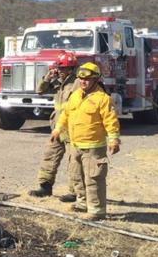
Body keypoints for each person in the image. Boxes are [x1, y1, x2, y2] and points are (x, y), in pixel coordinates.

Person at [51, 62, 120, 220]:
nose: (83, 82)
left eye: (87, 79)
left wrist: (113, 140)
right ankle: (82, 203)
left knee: (93, 179)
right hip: (75, 145)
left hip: (93, 147)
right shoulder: (75, 95)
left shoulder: (103, 99)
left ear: (96, 80)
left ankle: (97, 211)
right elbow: (65, 114)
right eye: (81, 79)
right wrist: (58, 129)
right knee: (77, 177)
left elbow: (111, 121)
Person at [29, 52, 79, 201]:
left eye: (63, 69)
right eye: (59, 69)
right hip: (57, 127)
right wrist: (48, 78)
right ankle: (45, 187)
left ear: (71, 69)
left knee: (74, 162)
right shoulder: (57, 83)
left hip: (72, 129)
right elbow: (39, 90)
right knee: (49, 156)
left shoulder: (77, 83)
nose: (60, 72)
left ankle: (75, 192)